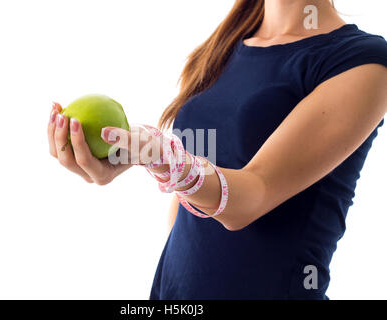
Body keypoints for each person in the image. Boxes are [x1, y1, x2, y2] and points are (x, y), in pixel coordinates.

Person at [47, 0, 387, 299]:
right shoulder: (221, 48)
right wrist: (130, 153)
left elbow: (255, 192)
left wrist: (163, 160)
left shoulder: (363, 63)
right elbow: (188, 196)